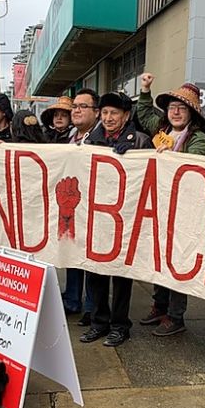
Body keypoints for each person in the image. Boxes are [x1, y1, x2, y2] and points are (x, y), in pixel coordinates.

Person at [136, 74, 205, 337]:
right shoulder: (161, 129)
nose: (176, 112)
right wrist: (145, 89)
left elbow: (197, 166)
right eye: (171, 107)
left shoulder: (199, 139)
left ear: (192, 112)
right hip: (159, 208)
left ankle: (176, 315)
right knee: (159, 260)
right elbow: (143, 112)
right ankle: (160, 305)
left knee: (178, 264)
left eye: (182, 108)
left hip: (184, 214)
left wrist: (170, 160)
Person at [80, 92, 154, 347]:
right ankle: (99, 322)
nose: (109, 118)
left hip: (126, 219)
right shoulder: (90, 140)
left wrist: (132, 156)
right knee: (96, 274)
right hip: (98, 218)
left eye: (114, 113)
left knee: (122, 276)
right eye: (105, 113)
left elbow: (153, 175)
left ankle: (120, 325)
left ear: (126, 116)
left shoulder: (141, 141)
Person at [62, 88, 101, 327]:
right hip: (71, 206)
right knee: (71, 253)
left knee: (91, 259)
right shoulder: (69, 136)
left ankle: (91, 307)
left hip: (94, 208)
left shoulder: (102, 138)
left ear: (96, 113)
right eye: (74, 106)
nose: (76, 110)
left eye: (82, 106)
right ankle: (72, 299)